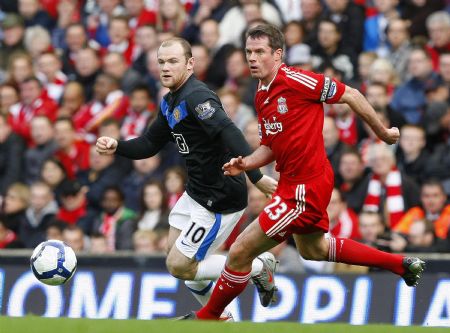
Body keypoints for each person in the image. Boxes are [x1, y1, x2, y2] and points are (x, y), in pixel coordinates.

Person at [181, 24, 426, 321]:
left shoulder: (296, 80)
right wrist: (246, 164)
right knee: (314, 249)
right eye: (248, 52)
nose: (252, 58)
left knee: (240, 251)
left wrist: (383, 133)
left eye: (260, 52)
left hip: (304, 187)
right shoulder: (261, 94)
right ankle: (401, 265)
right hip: (294, 183)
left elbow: (351, 94)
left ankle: (210, 316)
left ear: (278, 54)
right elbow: (271, 146)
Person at [96, 37, 278, 319]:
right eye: (161, 62)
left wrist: (256, 176)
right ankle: (221, 318)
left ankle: (258, 267)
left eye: (172, 61)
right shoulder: (170, 102)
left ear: (190, 64)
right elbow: (149, 144)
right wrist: (118, 146)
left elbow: (230, 133)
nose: (165, 68)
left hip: (219, 199)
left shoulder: (197, 97)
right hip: (196, 193)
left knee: (179, 265)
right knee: (181, 259)